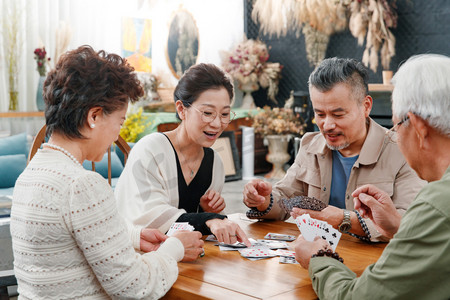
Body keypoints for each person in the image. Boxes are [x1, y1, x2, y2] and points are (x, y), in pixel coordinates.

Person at [10, 45, 204, 300]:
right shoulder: (81, 184)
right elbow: (135, 288)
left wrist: (133, 236)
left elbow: (69, 240)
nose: (117, 134)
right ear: (94, 116)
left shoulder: (31, 174)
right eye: (120, 122)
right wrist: (174, 247)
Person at [293, 54, 450, 299]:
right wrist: (399, 227)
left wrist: (318, 259)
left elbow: (359, 297)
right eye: (320, 114)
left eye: (397, 125)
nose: (327, 125)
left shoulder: (438, 202)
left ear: (418, 129)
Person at [243, 57, 425, 242]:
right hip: (317, 259)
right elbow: (284, 199)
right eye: (320, 114)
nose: (327, 125)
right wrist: (264, 201)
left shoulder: (402, 150)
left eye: (338, 114)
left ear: (366, 106)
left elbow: (410, 223)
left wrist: (343, 220)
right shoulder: (309, 144)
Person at [115, 63, 250, 246]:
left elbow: (193, 227)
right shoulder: (150, 150)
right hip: (137, 257)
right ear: (181, 109)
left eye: (225, 114)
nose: (217, 124)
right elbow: (150, 220)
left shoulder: (214, 163)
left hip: (185, 257)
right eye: (208, 113)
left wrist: (204, 209)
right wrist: (207, 218)